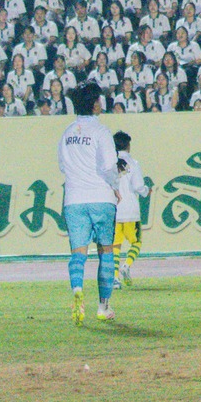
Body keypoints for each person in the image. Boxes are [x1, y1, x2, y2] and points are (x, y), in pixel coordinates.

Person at [57, 85, 120, 323]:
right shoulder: (101, 131)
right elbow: (109, 166)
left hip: (74, 199)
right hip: (101, 197)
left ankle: (77, 290)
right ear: (94, 105)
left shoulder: (67, 133)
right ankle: (103, 306)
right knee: (106, 251)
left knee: (78, 253)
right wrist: (115, 186)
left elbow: (62, 165)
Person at [112, 130, 149, 287]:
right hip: (130, 211)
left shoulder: (108, 163)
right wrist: (146, 191)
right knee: (136, 242)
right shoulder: (133, 163)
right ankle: (126, 265)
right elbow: (139, 186)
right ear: (128, 145)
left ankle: (115, 278)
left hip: (113, 211)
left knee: (115, 246)